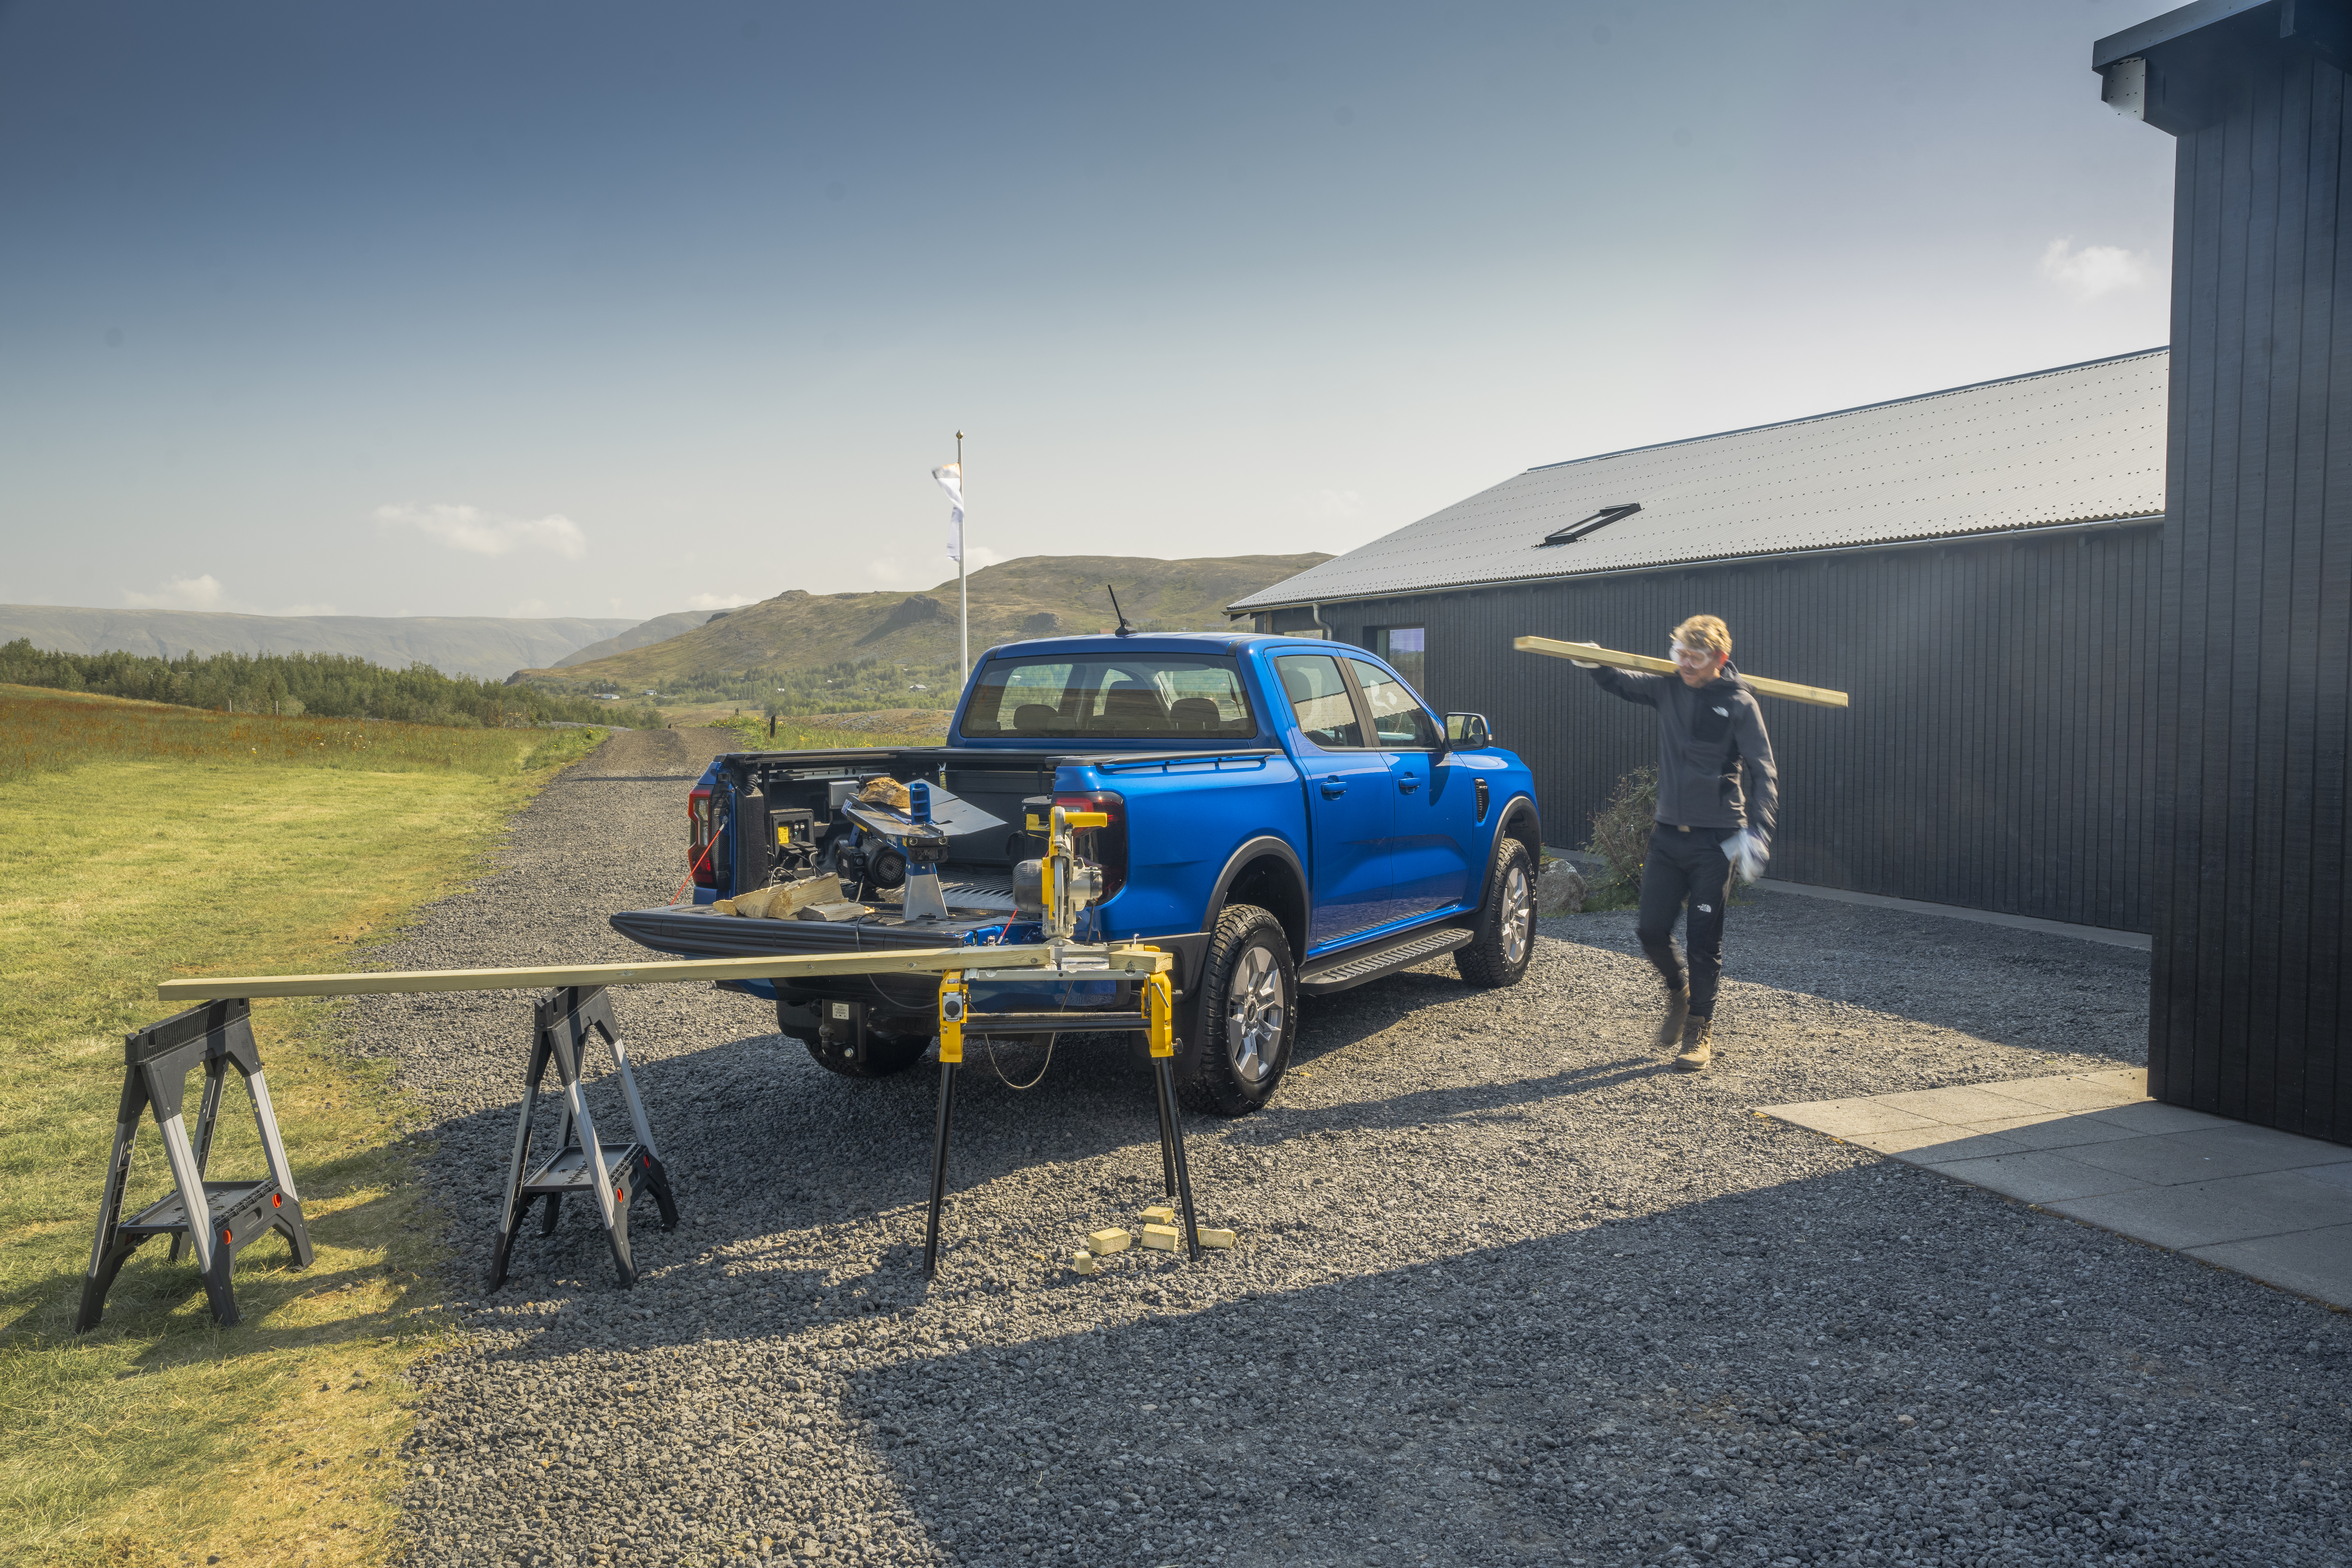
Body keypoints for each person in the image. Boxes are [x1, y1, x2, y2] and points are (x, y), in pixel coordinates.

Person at [1571, 615, 1777, 1070]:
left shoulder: (1740, 704)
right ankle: (1678, 992)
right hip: (1667, 836)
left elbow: (1765, 772)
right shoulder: (1668, 687)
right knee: (1650, 931)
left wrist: (1758, 832)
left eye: (1695, 657)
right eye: (1678, 654)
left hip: (1717, 841)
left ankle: (1700, 1028)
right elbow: (1621, 682)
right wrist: (1593, 661)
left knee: (1704, 941)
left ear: (1719, 660)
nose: (1684, 663)